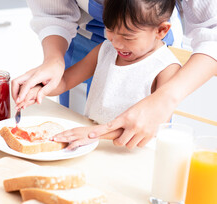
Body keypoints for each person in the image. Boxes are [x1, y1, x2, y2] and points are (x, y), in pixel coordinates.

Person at [12, 0, 217, 149]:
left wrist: (92, 135)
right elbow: (64, 80)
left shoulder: (166, 68)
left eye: (127, 36)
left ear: (161, 30)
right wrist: (41, 84)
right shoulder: (105, 49)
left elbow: (149, 129)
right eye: (110, 30)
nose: (117, 43)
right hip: (93, 144)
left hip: (132, 154)